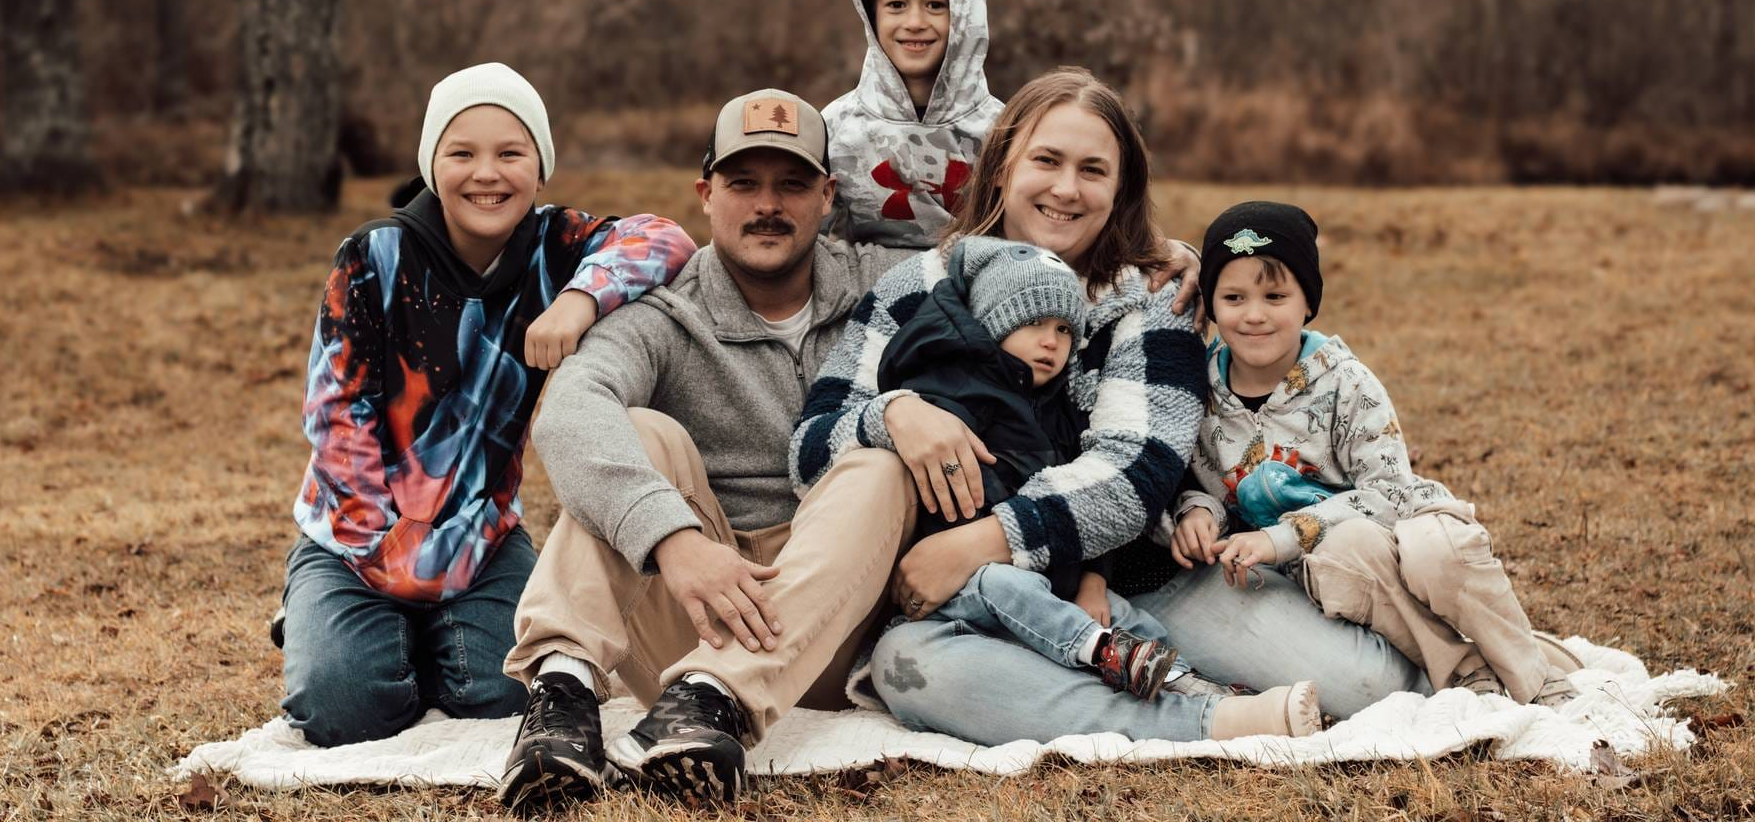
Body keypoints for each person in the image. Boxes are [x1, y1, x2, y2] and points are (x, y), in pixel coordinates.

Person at [794, 68, 1331, 745]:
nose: (1066, 188)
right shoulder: (918, 286)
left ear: (1120, 191)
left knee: (1365, 687)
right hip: (971, 599)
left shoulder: (1153, 297)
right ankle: (1204, 716)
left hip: (1135, 576)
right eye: (1046, 161)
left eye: (1093, 170)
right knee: (911, 667)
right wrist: (893, 414)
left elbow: (1135, 471)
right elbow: (810, 450)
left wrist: (986, 540)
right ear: (1000, 167)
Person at [496, 89, 925, 808]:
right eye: (742, 183)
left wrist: (1148, 260)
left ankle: (717, 697)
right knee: (640, 432)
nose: (768, 205)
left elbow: (1013, 271)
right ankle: (564, 697)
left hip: (833, 625)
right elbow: (567, 410)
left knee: (879, 463)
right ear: (705, 194)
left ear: (827, 195)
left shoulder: (886, 284)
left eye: (791, 184)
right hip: (690, 616)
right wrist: (674, 539)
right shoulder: (665, 308)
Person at [279, 63, 695, 748]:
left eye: (510, 153)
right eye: (461, 153)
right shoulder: (373, 258)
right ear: (432, 164)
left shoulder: (553, 248)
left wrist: (578, 299)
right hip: (356, 538)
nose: (486, 174)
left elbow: (665, 239)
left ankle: (422, 635)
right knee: (345, 710)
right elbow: (334, 421)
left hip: (481, 537)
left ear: (540, 168)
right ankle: (328, 614)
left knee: (506, 697)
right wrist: (391, 554)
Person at [871, 234, 1319, 724]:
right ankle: (1150, 688)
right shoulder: (948, 395)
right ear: (995, 324)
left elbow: (1102, 486)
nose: (1050, 341)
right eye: (1033, 323)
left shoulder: (1061, 410)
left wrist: (1091, 579)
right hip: (967, 581)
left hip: (1056, 574)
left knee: (1121, 617)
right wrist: (891, 410)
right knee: (990, 598)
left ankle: (1187, 683)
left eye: (1065, 329)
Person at [1172, 201, 1577, 708]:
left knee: (1435, 552)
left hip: (1404, 527)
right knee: (1347, 549)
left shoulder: (1345, 382)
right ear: (1210, 302)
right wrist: (1197, 512)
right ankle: (1464, 670)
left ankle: (1536, 677)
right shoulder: (1202, 393)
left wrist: (1281, 538)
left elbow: (1389, 491)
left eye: (1275, 295)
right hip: (1337, 569)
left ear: (1306, 303)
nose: (1254, 314)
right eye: (1233, 297)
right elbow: (1206, 485)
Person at [823, 0, 1004, 247]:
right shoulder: (836, 128)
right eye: (896, 5)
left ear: (964, 16)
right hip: (869, 291)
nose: (915, 22)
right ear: (871, 14)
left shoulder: (1004, 131)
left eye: (935, 5)